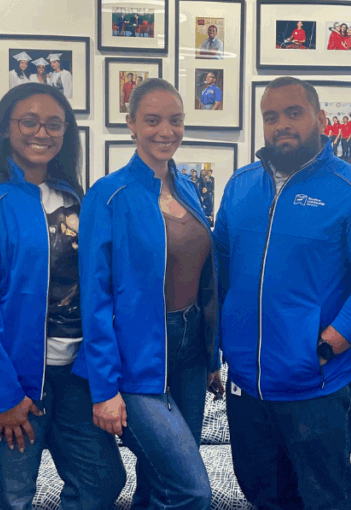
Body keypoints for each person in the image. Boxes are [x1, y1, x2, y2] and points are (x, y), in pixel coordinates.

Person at [215, 76, 351, 510]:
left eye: (293, 113)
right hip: (247, 385)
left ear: (319, 118)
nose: (282, 124)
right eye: (271, 116)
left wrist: (327, 344)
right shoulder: (240, 186)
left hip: (316, 383)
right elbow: (222, 268)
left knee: (324, 499)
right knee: (264, 494)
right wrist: (223, 345)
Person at [0, 82, 126, 510]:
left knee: (102, 478)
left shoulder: (76, 198)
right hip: (12, 380)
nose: (41, 132)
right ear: (6, 128)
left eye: (53, 124)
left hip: (75, 375)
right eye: (29, 121)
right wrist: (4, 397)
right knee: (12, 497)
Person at [82, 78, 220, 510]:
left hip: (192, 353)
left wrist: (213, 358)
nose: (166, 131)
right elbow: (96, 297)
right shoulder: (109, 194)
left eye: (175, 120)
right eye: (153, 120)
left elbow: (204, 278)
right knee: (191, 490)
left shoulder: (189, 188)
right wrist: (104, 390)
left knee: (159, 485)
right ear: (131, 125)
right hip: (138, 361)